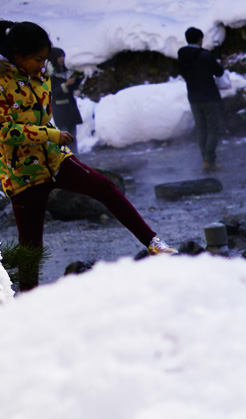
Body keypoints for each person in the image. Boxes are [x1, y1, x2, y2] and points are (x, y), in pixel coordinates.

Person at [1, 20, 174, 292]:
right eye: (38, 59)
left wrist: (53, 139)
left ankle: (154, 243)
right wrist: (50, 135)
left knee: (105, 187)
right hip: (22, 173)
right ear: (18, 54)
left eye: (45, 60)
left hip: (56, 159)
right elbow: (4, 131)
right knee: (30, 247)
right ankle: (27, 306)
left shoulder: (37, 75)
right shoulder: (1, 81)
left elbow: (42, 115)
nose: (42, 65)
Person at [175, 26, 224, 171]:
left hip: (194, 96)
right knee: (213, 128)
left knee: (201, 129)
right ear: (199, 39)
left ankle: (205, 159)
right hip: (209, 96)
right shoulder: (205, 56)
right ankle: (209, 159)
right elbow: (219, 71)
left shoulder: (182, 56)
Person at [46, 47, 80, 149]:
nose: (62, 58)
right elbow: (52, 92)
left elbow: (73, 90)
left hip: (71, 107)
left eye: (63, 56)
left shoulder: (67, 72)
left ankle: (76, 157)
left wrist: (76, 82)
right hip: (60, 110)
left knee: (73, 134)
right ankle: (68, 158)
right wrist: (65, 85)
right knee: (65, 135)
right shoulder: (50, 75)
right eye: (60, 56)